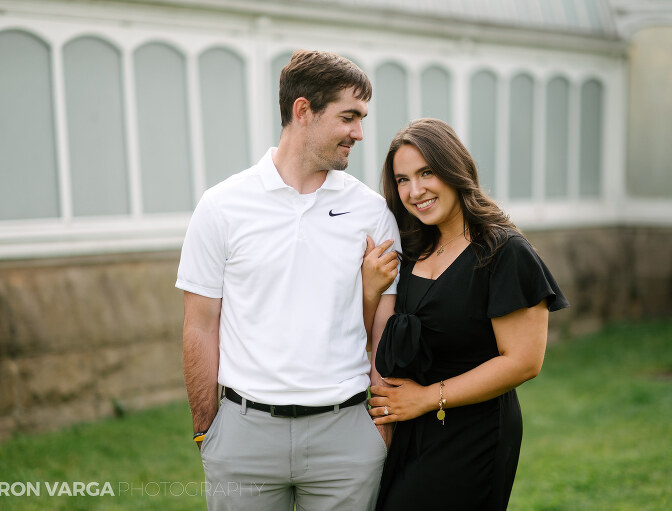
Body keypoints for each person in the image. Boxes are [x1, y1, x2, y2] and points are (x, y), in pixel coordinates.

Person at [176, 50, 400, 511]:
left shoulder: (372, 211)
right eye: (349, 117)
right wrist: (207, 429)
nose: (359, 132)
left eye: (361, 118)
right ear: (303, 111)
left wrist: (380, 432)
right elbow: (200, 326)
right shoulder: (221, 207)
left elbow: (385, 326)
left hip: (347, 439)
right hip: (243, 437)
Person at [363, 118, 569, 510]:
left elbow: (524, 362)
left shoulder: (503, 251)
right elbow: (379, 336)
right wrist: (371, 289)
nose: (415, 190)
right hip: (408, 429)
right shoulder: (410, 249)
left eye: (427, 173)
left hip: (473, 431)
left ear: (455, 169)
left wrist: (426, 399)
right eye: (403, 179)